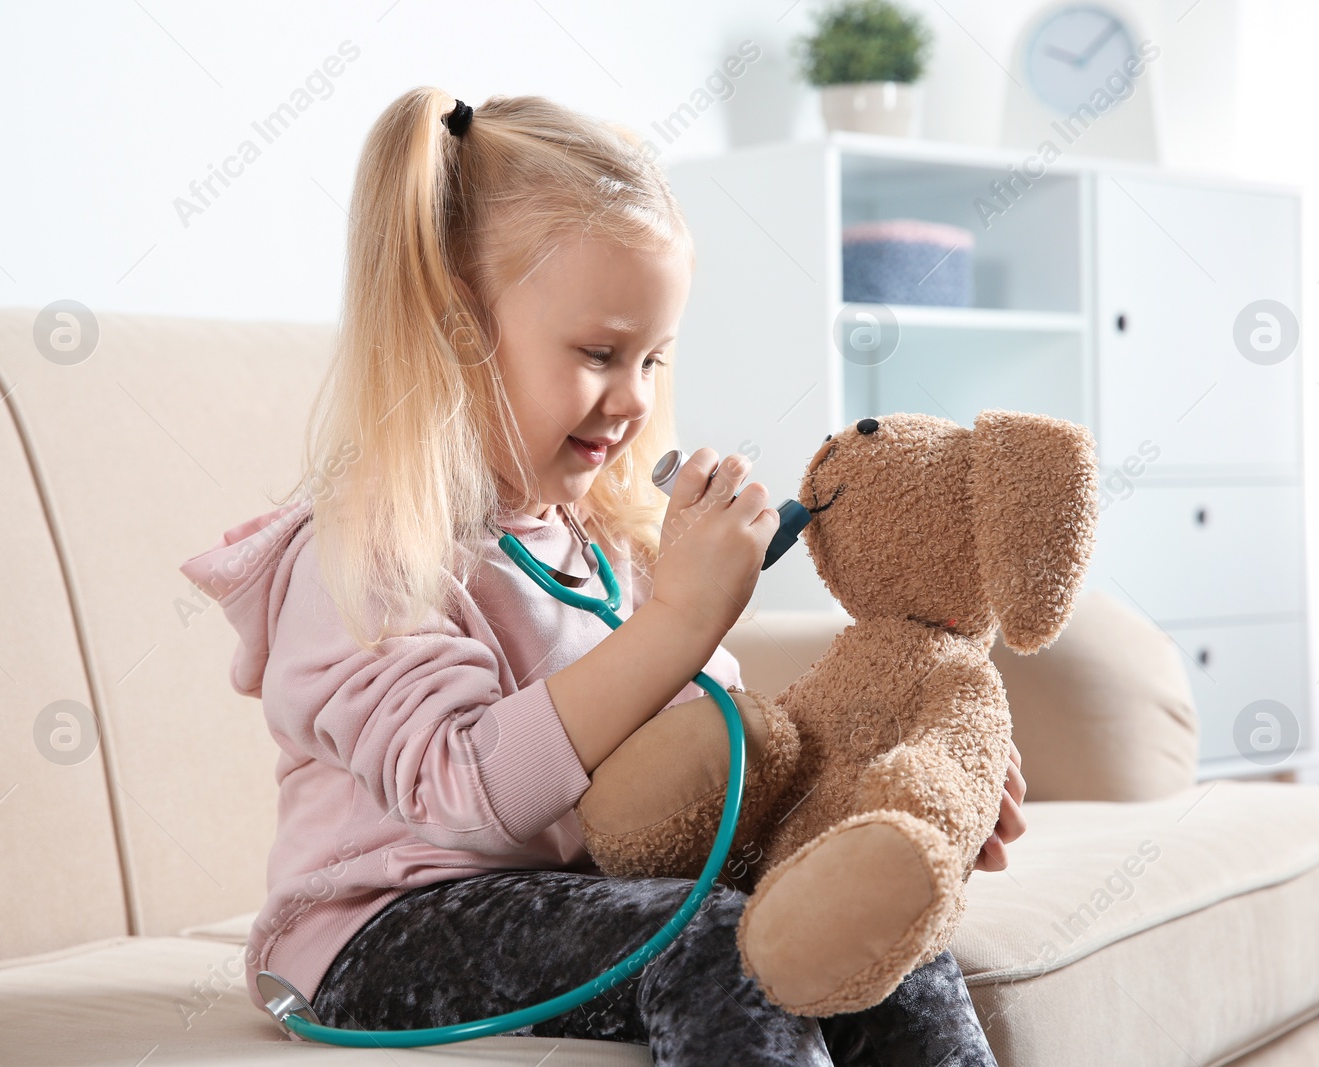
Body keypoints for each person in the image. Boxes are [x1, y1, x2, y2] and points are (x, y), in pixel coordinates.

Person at [178, 87, 1025, 1066]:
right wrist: (676, 623)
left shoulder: (611, 544)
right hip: (379, 931)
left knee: (856, 935)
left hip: (585, 896)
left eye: (655, 358)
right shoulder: (365, 550)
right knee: (725, 940)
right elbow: (462, 790)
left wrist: (903, 793)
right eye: (598, 353)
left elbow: (718, 775)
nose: (633, 398)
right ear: (455, 327)